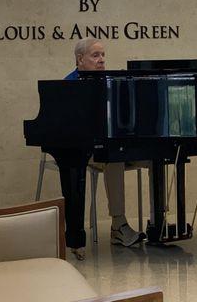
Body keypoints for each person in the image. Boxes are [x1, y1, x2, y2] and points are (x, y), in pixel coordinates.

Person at [47, 39, 146, 261]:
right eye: (95, 55)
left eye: (103, 55)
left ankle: (160, 221)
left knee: (157, 156)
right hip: (83, 150)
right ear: (80, 59)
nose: (101, 60)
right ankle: (118, 225)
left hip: (108, 145)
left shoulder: (109, 82)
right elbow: (63, 127)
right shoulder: (69, 85)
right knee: (114, 159)